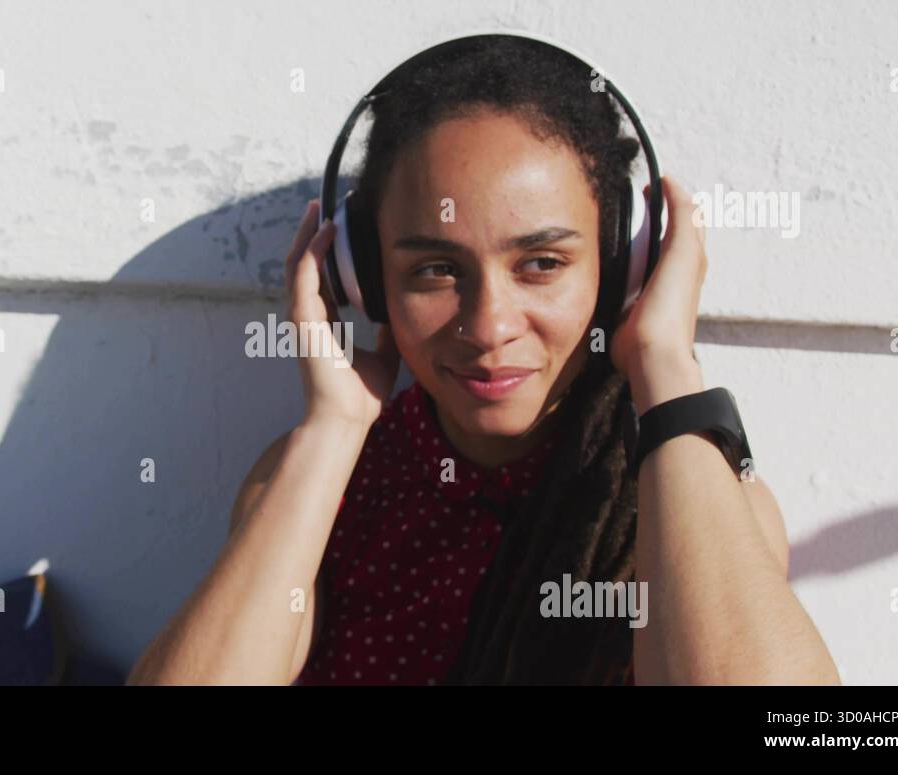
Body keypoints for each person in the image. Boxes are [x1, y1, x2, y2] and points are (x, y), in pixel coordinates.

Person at [127, 36, 839, 685]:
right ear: (365, 279)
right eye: (435, 269)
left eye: (541, 262)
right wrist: (334, 428)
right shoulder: (317, 488)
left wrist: (666, 369)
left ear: (625, 263)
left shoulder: (693, 498)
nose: (489, 326)